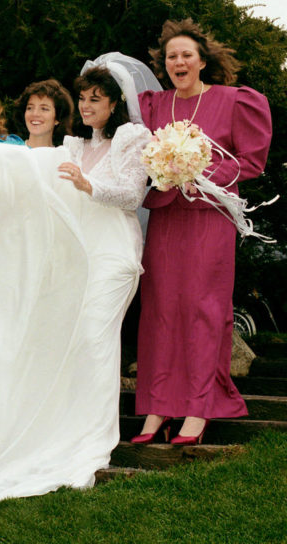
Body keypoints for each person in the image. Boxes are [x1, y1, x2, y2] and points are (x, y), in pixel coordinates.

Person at [134, 19, 272, 445]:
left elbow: (251, 161)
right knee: (160, 309)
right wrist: (161, 171)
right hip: (166, 220)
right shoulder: (154, 104)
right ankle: (158, 408)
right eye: (171, 56)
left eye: (186, 55)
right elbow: (138, 156)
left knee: (202, 309)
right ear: (164, 64)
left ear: (202, 60)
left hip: (209, 219)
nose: (179, 61)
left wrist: (199, 172)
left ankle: (198, 407)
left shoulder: (235, 101)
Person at [57, 58, 156, 452]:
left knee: (96, 332)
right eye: (82, 99)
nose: (86, 106)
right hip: (77, 251)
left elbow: (133, 195)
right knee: (73, 335)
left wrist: (88, 185)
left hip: (115, 250)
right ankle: (70, 424)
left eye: (95, 99)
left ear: (114, 103)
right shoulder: (73, 144)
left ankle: (97, 435)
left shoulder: (132, 137)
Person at [15, 79, 74, 148]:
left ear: (57, 118)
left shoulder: (63, 156)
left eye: (44, 109)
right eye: (30, 108)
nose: (35, 114)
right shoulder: (9, 151)